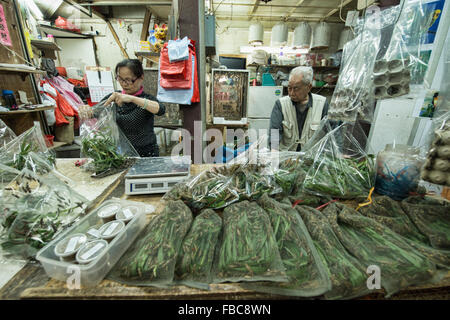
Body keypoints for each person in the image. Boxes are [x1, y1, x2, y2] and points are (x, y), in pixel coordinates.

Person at [80, 59, 165, 157]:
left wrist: (132, 98)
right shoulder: (114, 98)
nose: (124, 84)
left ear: (141, 77)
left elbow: (160, 109)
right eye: (120, 79)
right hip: (123, 154)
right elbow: (94, 112)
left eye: (128, 80)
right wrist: (85, 109)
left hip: (147, 153)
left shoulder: (147, 99)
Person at [269, 66, 329, 152]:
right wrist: (274, 151)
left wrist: (337, 153)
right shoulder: (281, 105)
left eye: (296, 88)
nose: (291, 93)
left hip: (310, 159)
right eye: (289, 88)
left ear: (309, 87)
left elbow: (332, 132)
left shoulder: (322, 104)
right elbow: (274, 131)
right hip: (287, 159)